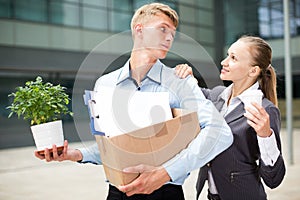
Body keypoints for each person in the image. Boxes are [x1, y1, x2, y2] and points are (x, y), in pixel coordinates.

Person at [35, 3, 233, 200]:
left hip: (165, 193)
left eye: (173, 33)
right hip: (118, 193)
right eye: (163, 29)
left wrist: (165, 173)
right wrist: (75, 154)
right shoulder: (105, 84)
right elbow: (112, 147)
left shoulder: (180, 81)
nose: (170, 37)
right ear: (139, 30)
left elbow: (220, 132)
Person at [176, 35, 286, 200]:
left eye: (233, 58)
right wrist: (187, 76)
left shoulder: (264, 110)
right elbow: (191, 95)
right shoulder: (216, 96)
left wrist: (266, 135)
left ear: (253, 70)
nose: (224, 62)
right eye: (228, 55)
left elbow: (273, 179)